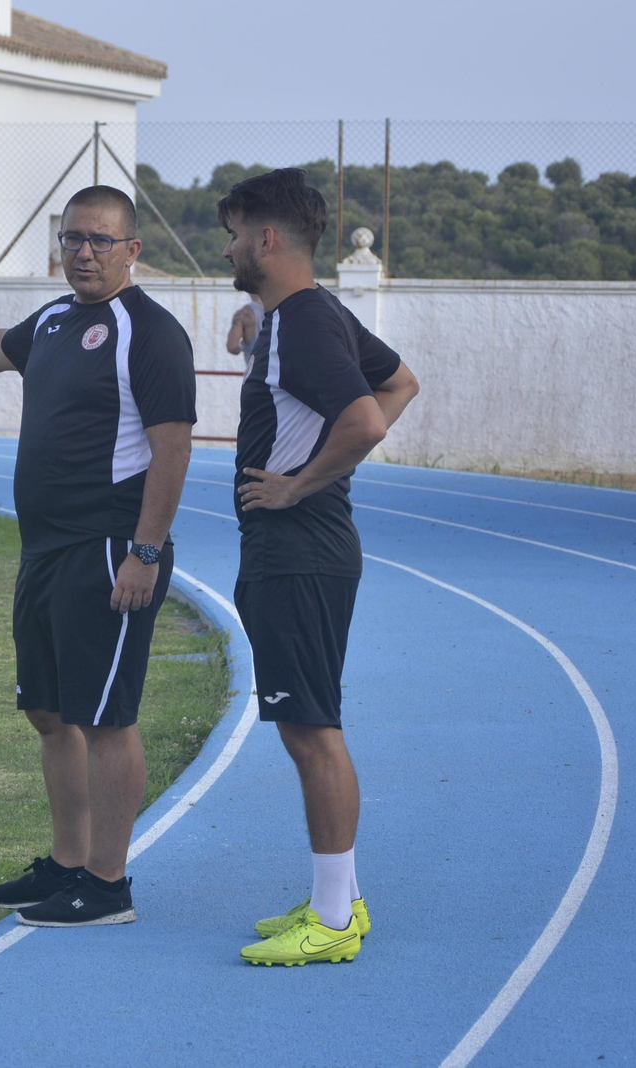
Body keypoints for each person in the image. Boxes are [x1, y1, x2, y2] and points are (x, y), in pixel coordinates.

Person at [0, 185, 196, 926]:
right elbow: (1, 346)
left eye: (100, 241)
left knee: (108, 717)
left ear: (132, 250)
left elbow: (173, 446)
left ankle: (108, 883)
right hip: (46, 549)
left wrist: (145, 551)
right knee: (51, 714)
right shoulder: (57, 319)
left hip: (111, 547)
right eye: (72, 239)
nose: (84, 253)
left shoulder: (149, 332)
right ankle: (67, 864)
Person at [219, 168, 420, 966]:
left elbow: (368, 417)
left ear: (268, 240)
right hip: (304, 549)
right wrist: (255, 321)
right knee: (312, 726)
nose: (230, 248)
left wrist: (303, 481)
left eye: (236, 234)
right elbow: (401, 381)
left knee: (312, 731)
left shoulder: (303, 325)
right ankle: (341, 901)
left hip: (298, 550)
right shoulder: (305, 315)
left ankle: (334, 923)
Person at [225, 297, 263, 363]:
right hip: (279, 370)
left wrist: (243, 346)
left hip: (256, 369)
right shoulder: (281, 307)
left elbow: (232, 347)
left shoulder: (244, 312)